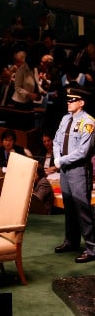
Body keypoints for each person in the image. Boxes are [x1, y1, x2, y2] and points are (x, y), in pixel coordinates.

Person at [53, 89, 95, 263]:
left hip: (78, 170)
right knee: (69, 207)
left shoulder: (88, 122)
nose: (68, 102)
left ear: (81, 102)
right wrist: (57, 158)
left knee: (82, 209)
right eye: (68, 100)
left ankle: (92, 248)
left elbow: (83, 152)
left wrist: (61, 160)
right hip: (64, 169)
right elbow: (56, 140)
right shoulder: (65, 119)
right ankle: (71, 241)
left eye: (73, 100)